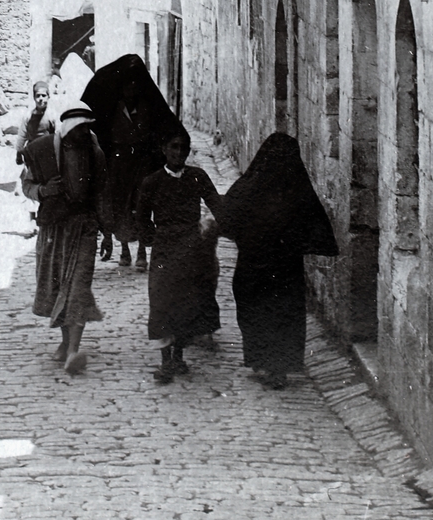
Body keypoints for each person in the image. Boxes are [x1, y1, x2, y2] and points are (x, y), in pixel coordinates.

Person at [218, 131, 338, 389]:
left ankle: (264, 361)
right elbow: (314, 226)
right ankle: (276, 366)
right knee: (282, 315)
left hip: (254, 267)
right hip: (284, 271)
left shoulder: (249, 186)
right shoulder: (297, 192)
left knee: (257, 312)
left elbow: (227, 217)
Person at [22, 101, 112, 374]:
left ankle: (73, 349)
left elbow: (102, 194)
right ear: (68, 129)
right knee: (59, 285)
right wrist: (43, 191)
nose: (84, 134)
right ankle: (65, 341)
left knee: (78, 287)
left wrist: (107, 233)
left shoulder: (96, 154)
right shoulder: (43, 151)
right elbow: (27, 185)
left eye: (87, 128)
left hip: (84, 228)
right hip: (54, 229)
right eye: (79, 129)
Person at [134, 129, 223, 383]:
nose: (179, 153)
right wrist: (152, 238)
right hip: (164, 249)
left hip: (191, 248)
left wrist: (209, 225)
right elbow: (142, 217)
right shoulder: (152, 182)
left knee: (186, 303)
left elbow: (217, 205)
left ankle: (179, 356)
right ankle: (166, 361)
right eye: (174, 147)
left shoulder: (197, 176)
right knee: (161, 301)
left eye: (183, 148)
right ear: (164, 150)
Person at [82, 53, 180, 270]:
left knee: (141, 204)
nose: (131, 90)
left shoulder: (147, 107)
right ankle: (125, 249)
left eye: (135, 86)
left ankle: (142, 250)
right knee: (120, 206)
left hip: (141, 163)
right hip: (119, 164)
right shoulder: (114, 108)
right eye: (127, 86)